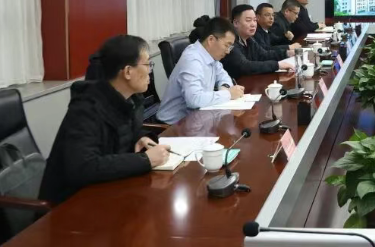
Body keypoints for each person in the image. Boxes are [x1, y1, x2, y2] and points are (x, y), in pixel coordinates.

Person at [40, 35, 170, 204]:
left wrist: (141, 137)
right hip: (71, 205)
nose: (150, 71)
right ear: (128, 72)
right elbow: (83, 167)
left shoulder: (129, 99)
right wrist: (145, 160)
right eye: (147, 65)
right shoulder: (86, 109)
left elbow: (126, 132)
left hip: (108, 192)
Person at [157, 17, 245, 125]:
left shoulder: (211, 56)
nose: (228, 51)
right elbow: (194, 100)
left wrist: (225, 88)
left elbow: (224, 76)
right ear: (211, 40)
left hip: (197, 120)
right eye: (227, 45)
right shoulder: (192, 59)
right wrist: (228, 94)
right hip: (173, 126)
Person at [221, 4, 294, 79]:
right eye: (248, 20)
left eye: (255, 20)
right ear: (236, 23)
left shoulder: (249, 39)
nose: (253, 24)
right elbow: (244, 66)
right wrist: (277, 65)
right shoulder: (230, 42)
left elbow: (264, 55)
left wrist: (287, 53)